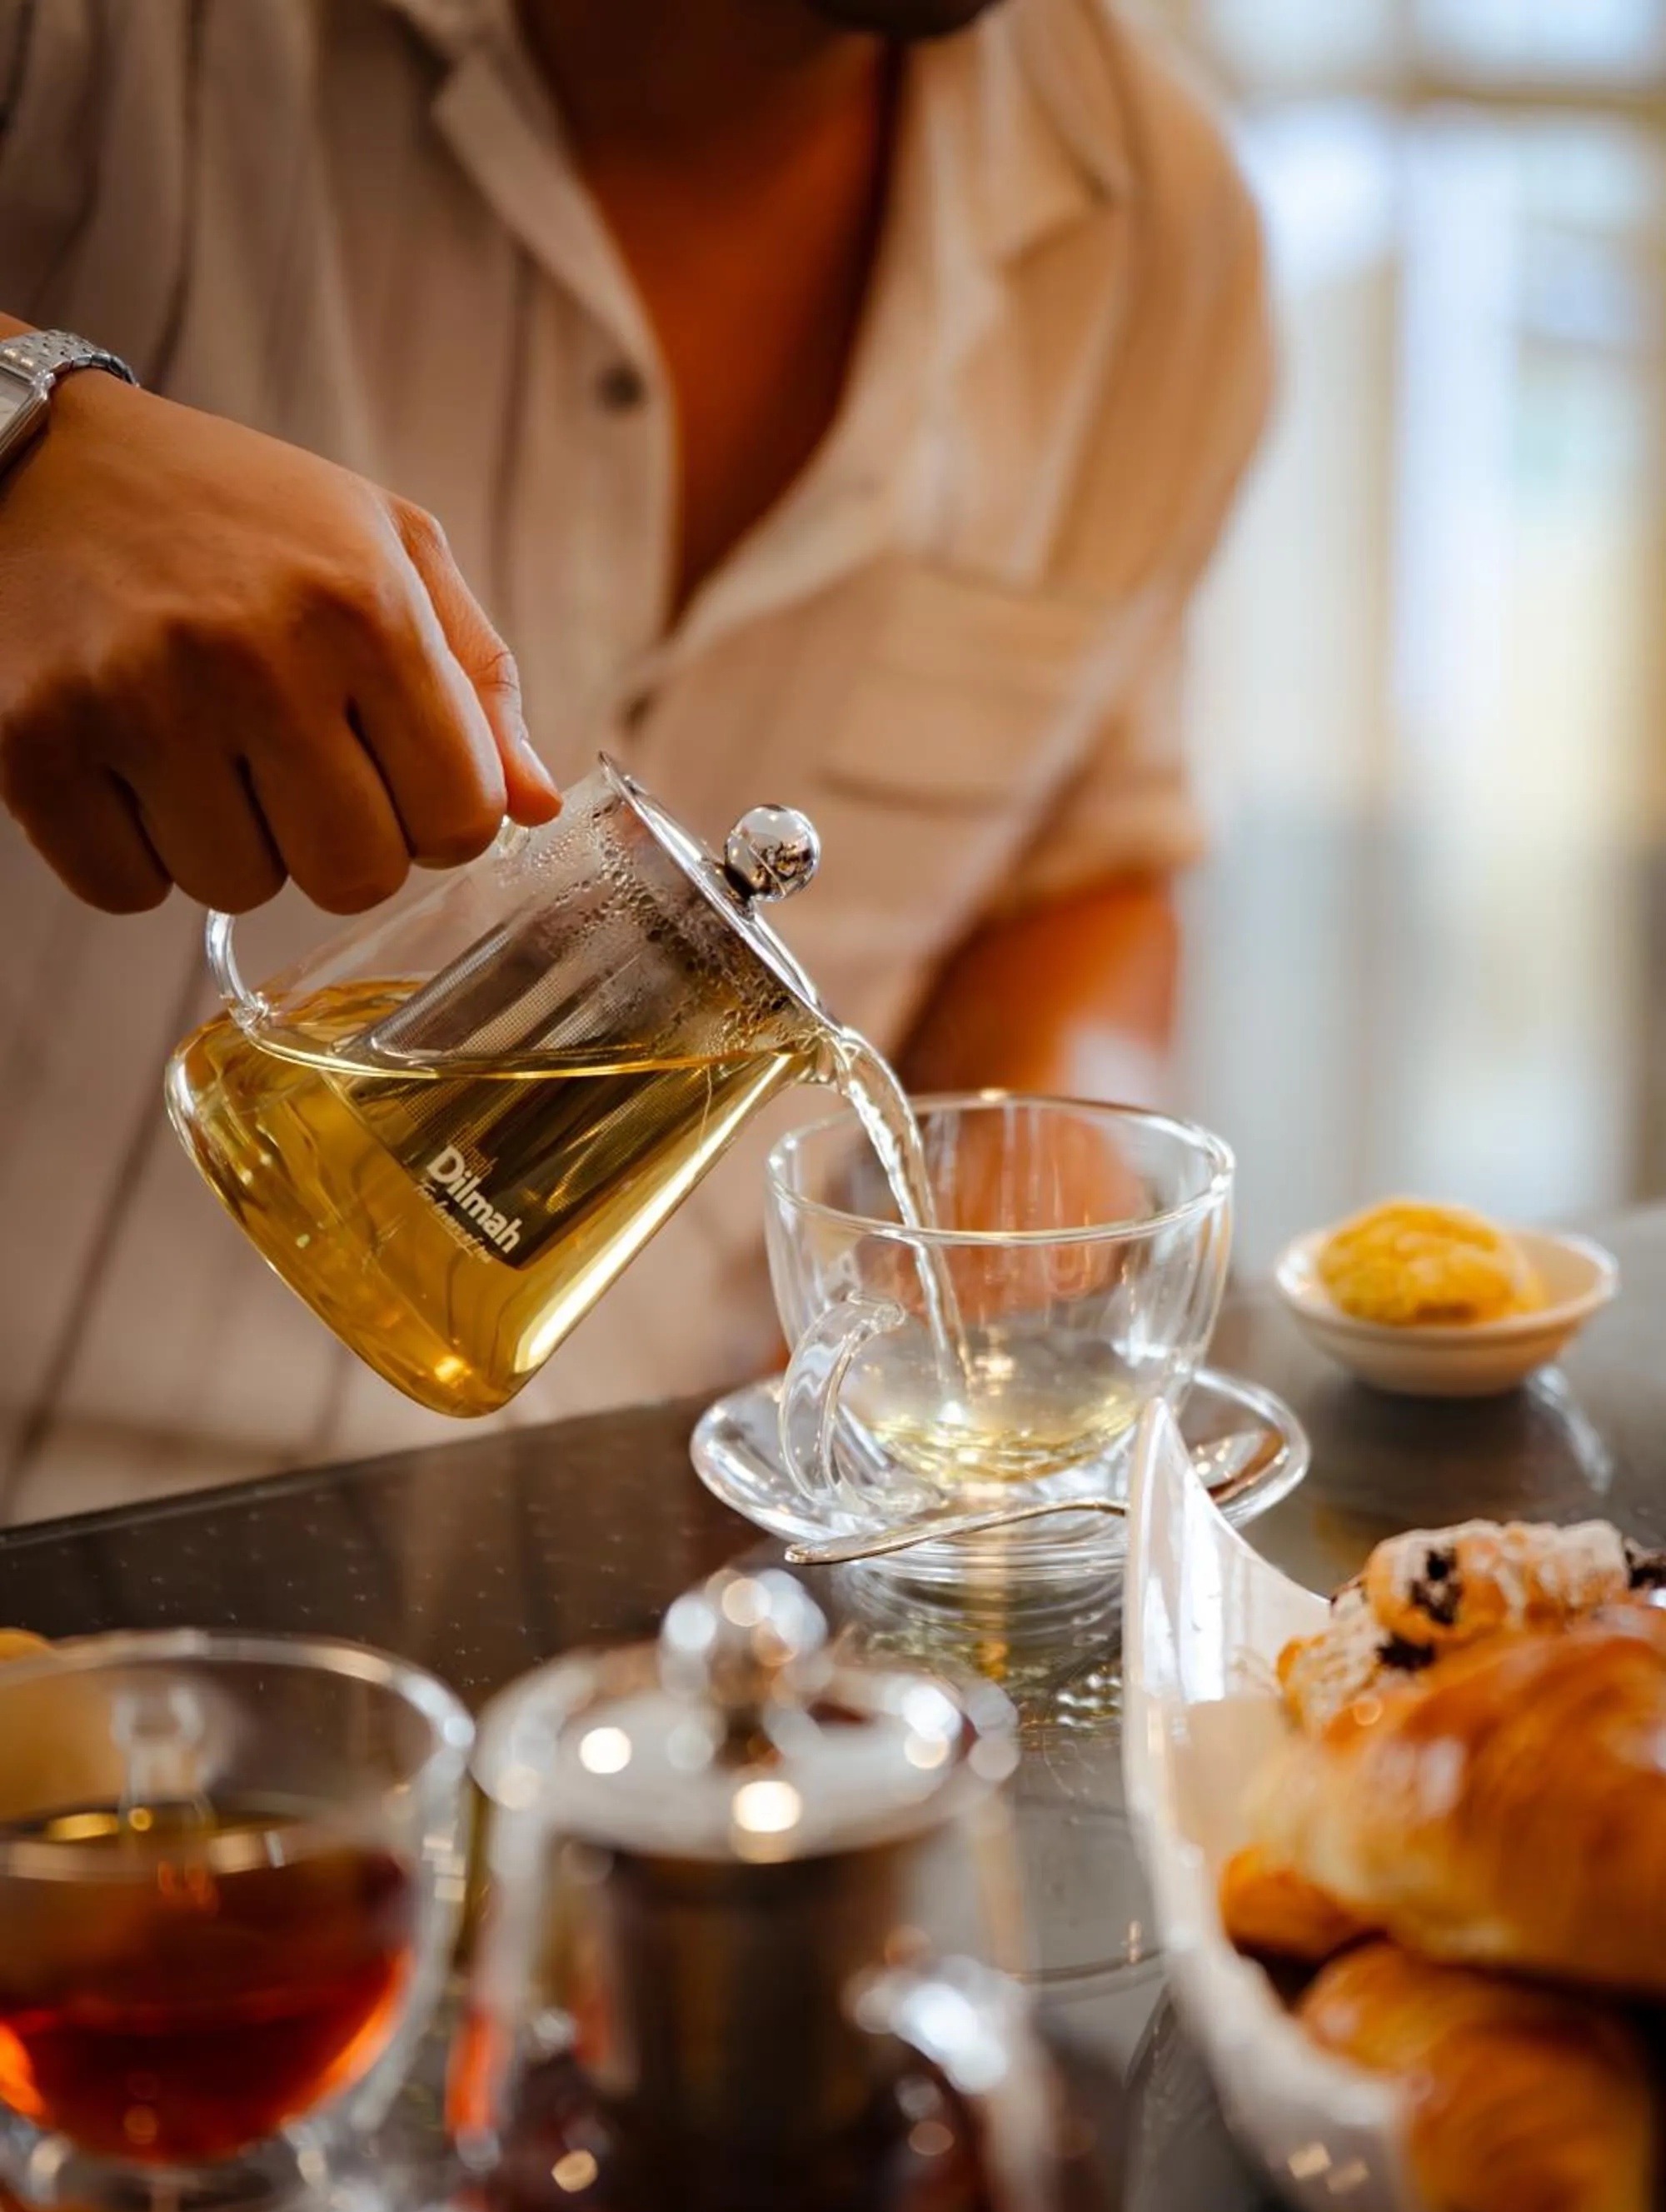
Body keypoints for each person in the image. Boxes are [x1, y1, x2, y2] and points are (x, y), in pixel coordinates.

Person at [0, 0, 1270, 1522]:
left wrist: (1039, 1158)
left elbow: (1090, 858)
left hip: (616, 1550)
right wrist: (28, 443)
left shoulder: (1161, 241)